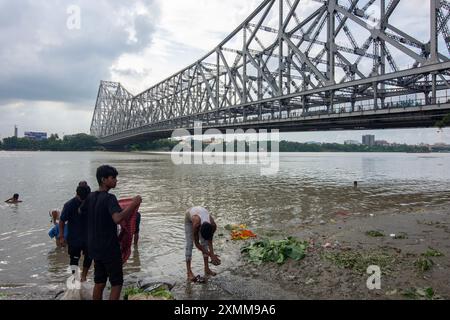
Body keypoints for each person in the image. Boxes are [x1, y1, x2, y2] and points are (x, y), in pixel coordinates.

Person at [84, 165, 141, 300]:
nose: (116, 180)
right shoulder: (110, 198)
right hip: (109, 248)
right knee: (116, 283)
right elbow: (118, 218)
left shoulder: (90, 196)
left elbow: (81, 211)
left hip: (94, 247)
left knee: (99, 282)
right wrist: (134, 204)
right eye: (113, 178)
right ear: (104, 180)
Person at [59, 184, 92, 282]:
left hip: (88, 237)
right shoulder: (69, 205)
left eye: (85, 198)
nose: (83, 201)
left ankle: (84, 276)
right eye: (81, 198)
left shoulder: (91, 202)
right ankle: (75, 277)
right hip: (74, 238)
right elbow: (61, 221)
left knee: (89, 257)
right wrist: (61, 236)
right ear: (76, 194)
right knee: (74, 259)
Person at [184, 206, 221, 282]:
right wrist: (211, 255)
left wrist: (212, 254)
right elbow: (197, 244)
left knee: (205, 243)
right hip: (189, 217)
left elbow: (209, 240)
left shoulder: (213, 225)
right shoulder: (196, 225)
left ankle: (207, 269)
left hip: (200, 214)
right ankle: (189, 272)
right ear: (200, 229)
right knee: (189, 245)